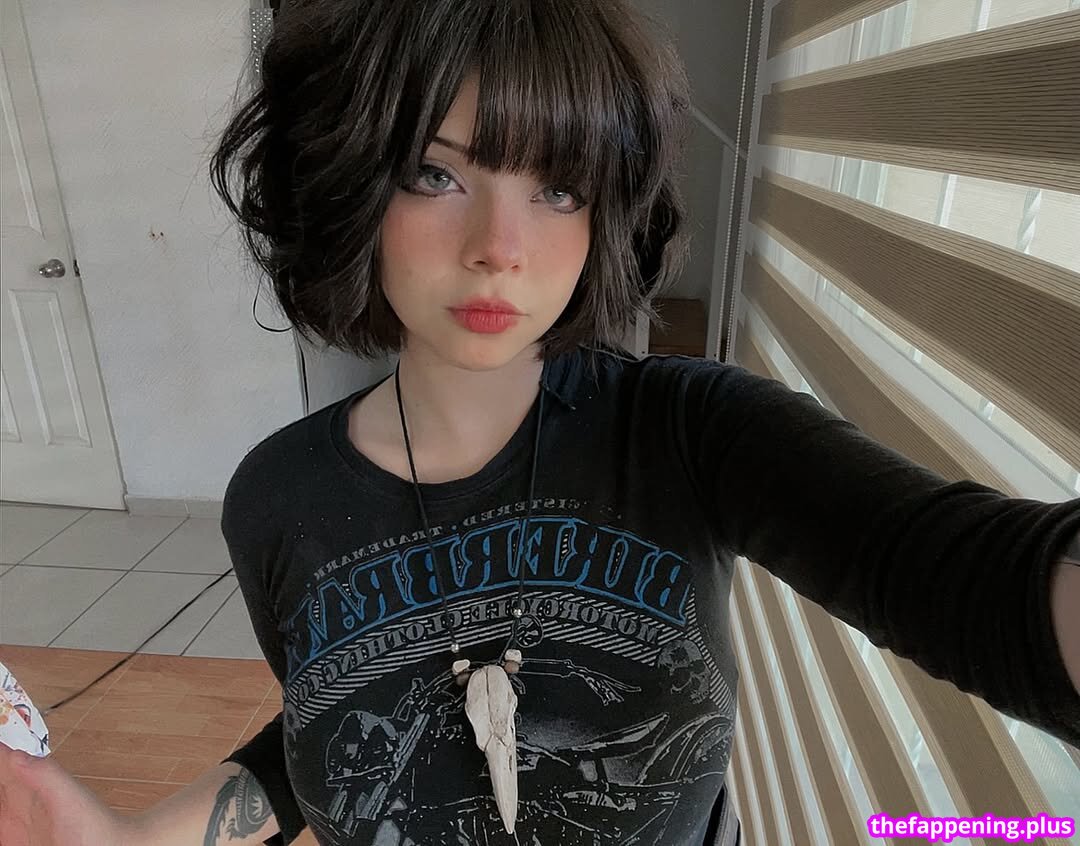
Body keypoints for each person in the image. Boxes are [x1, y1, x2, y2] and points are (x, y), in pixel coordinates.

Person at [1, 0, 1078, 844]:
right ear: (352, 185)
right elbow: (341, 722)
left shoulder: (689, 434)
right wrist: (136, 836)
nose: (499, 249)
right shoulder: (278, 500)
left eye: (558, 188)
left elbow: (967, 579)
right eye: (435, 173)